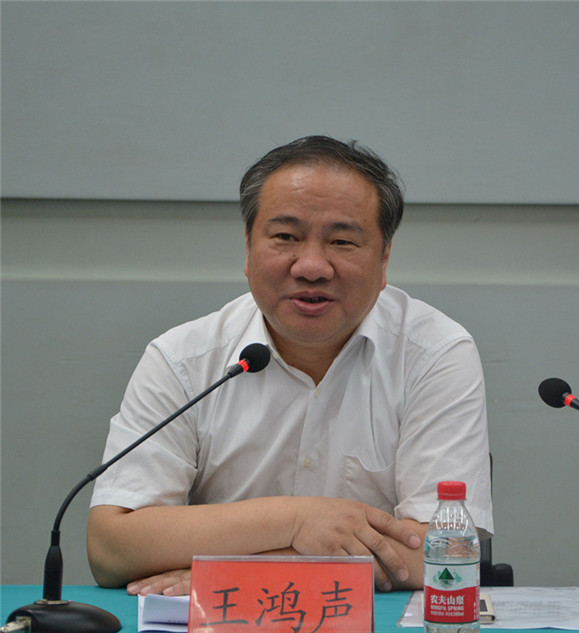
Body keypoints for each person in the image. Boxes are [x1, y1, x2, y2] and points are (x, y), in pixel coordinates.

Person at [87, 135, 493, 597]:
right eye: (285, 237)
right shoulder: (183, 360)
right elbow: (111, 547)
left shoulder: (435, 354)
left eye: (342, 241)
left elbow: (445, 549)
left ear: (384, 260)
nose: (312, 266)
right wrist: (298, 520)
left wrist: (250, 570)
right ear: (247, 248)